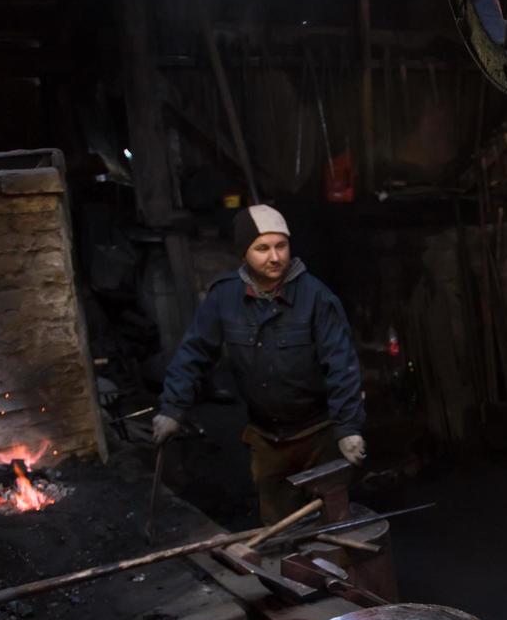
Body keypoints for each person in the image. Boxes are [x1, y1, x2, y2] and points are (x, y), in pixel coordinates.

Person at [152, 204, 365, 524]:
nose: (275, 257)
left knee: (332, 523)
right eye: (262, 248)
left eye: (281, 246)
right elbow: (193, 354)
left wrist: (348, 429)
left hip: (319, 435)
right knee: (279, 526)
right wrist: (172, 408)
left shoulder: (316, 298)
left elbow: (342, 365)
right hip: (267, 440)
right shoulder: (225, 298)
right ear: (242, 253)